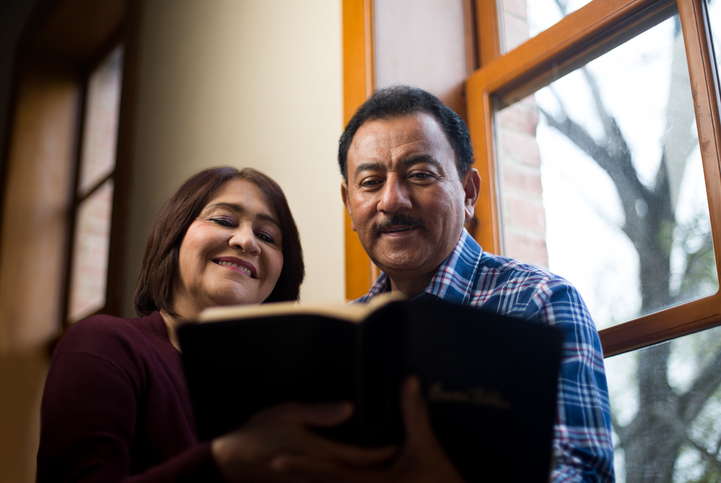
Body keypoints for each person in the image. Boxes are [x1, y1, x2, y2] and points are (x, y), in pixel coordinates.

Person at [36, 166, 396, 482]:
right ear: (174, 237)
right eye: (224, 220)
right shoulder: (105, 345)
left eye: (268, 237)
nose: (246, 241)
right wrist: (227, 461)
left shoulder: (291, 395)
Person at [336, 85, 615, 482]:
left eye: (419, 175)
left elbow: (585, 475)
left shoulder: (538, 303)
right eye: (369, 183)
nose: (392, 200)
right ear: (349, 203)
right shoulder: (345, 331)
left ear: (468, 193)